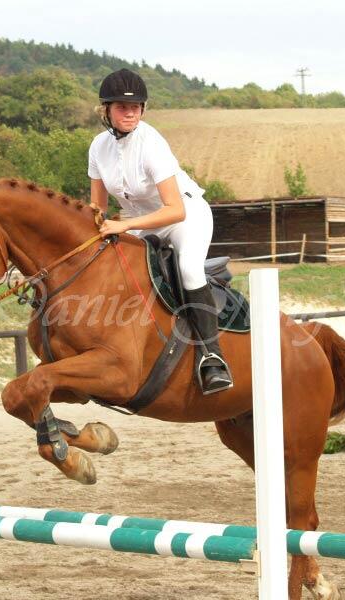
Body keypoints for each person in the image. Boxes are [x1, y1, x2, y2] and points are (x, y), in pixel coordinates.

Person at [88, 68, 233, 395]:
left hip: (184, 217)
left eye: (136, 107)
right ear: (106, 110)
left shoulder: (151, 143)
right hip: (140, 223)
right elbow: (97, 207)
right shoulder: (98, 148)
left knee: (189, 270)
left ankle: (212, 357)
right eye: (122, 107)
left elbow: (174, 210)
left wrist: (124, 225)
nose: (130, 113)